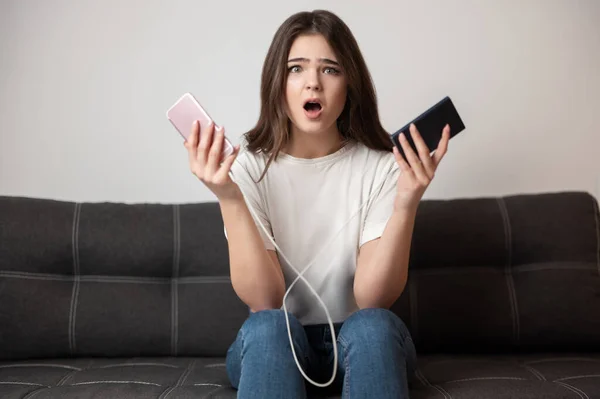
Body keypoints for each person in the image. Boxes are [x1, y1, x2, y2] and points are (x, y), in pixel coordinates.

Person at [183, 9, 450, 399]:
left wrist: (407, 202)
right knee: (270, 325)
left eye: (330, 69)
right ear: (277, 82)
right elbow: (264, 300)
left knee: (373, 325)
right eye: (296, 69)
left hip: (359, 346)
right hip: (278, 346)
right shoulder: (248, 168)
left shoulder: (382, 167)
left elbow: (373, 298)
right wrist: (229, 196)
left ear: (350, 84)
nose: (313, 84)